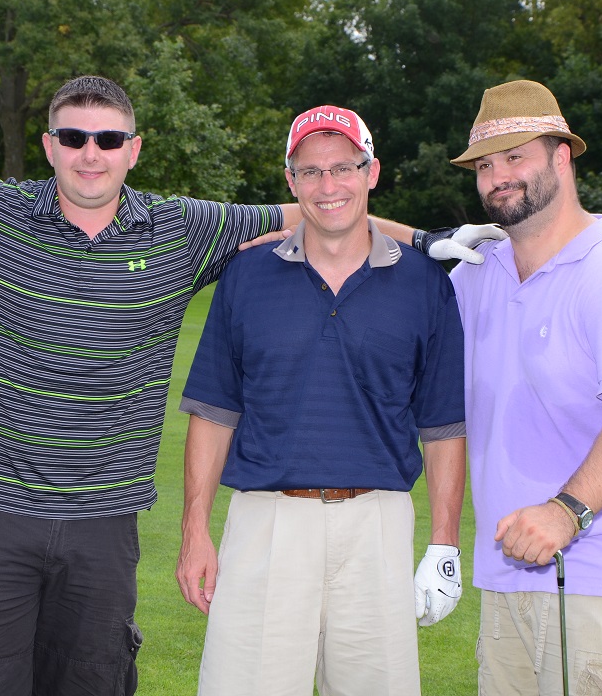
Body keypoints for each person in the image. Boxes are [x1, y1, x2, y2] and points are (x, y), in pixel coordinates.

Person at [0, 76, 501, 696]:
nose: (92, 152)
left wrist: (427, 239)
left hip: (104, 522)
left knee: (89, 683)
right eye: (75, 137)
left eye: (109, 139)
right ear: (50, 146)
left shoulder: (183, 227)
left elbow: (322, 210)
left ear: (134, 148)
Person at [175, 105, 467, 696]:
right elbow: (213, 411)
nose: (327, 186)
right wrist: (194, 531)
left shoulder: (425, 281)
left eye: (343, 168)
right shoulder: (247, 273)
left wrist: (445, 542)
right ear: (291, 181)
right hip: (267, 522)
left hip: (378, 525)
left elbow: (442, 425)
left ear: (372, 172)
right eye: (310, 172)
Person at [446, 79, 602, 695]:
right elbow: (340, 222)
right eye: (485, 165)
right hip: (509, 577)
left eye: (515, 157)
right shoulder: (478, 275)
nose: (498, 176)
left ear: (562, 156)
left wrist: (567, 511)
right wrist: (416, 238)